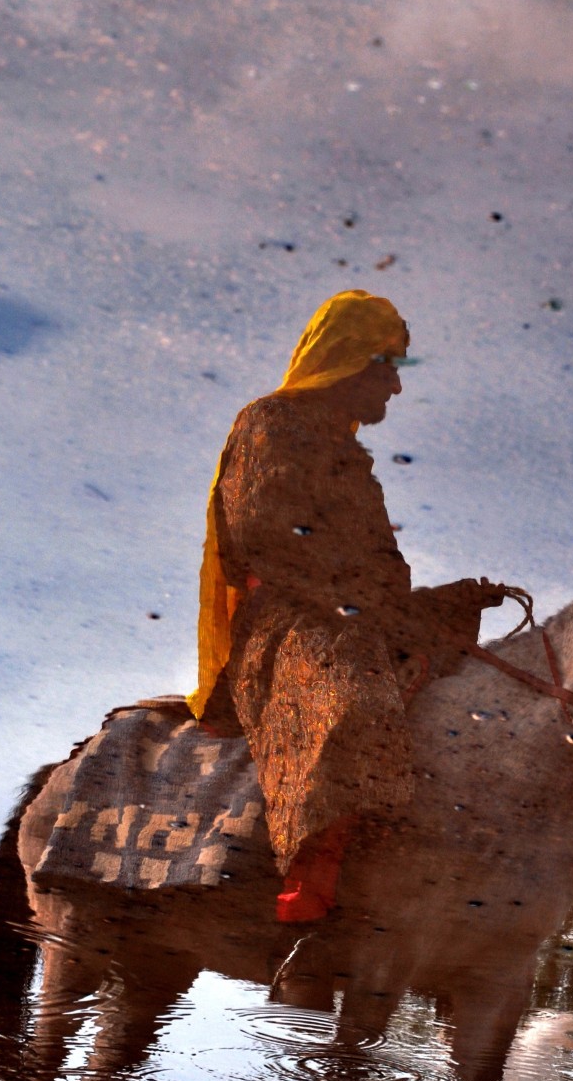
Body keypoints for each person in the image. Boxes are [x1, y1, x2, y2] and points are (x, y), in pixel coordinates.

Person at [188, 290, 508, 921]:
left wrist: (444, 602)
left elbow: (377, 574)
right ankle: (307, 897)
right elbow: (265, 536)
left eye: (396, 370)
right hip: (288, 624)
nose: (393, 387)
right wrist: (360, 604)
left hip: (352, 617)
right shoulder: (270, 423)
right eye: (385, 367)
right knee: (355, 700)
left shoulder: (347, 453)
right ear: (347, 361)